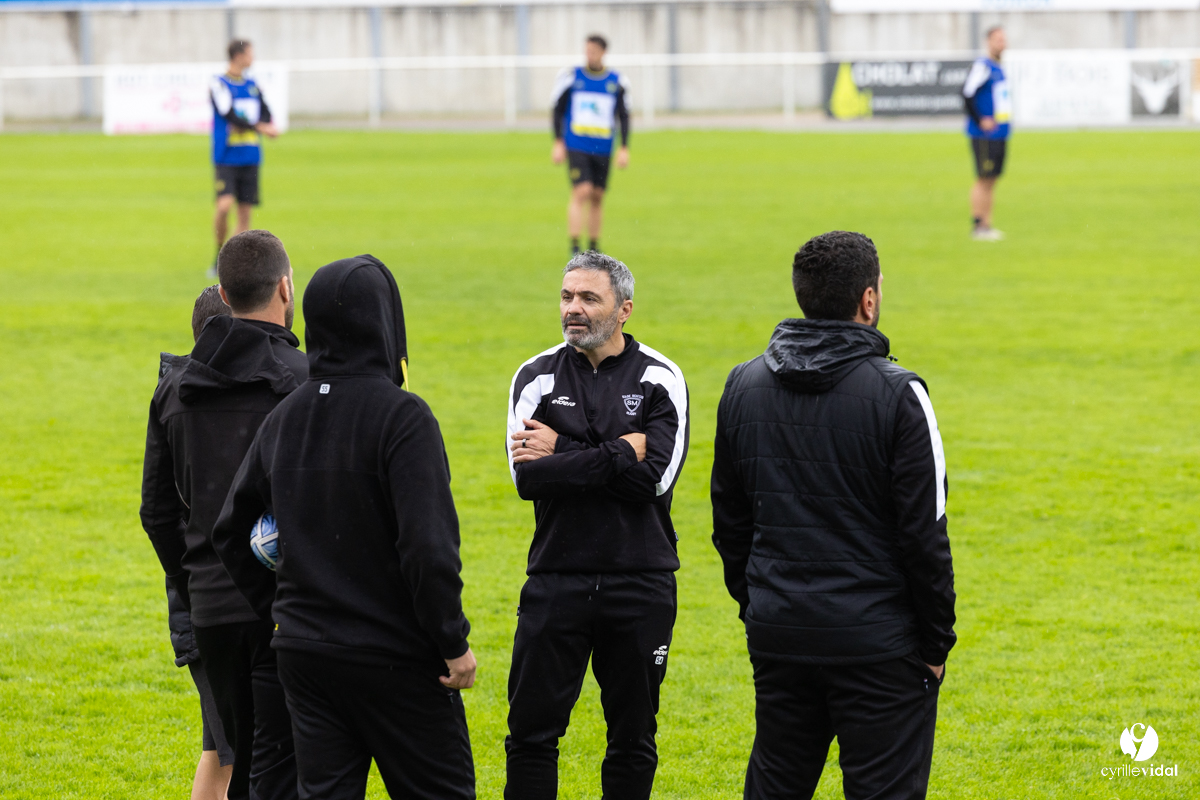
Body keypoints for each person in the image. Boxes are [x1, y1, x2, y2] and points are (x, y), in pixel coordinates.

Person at [212, 255, 476, 800]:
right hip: (396, 656)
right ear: (386, 321)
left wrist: (282, 610)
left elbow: (230, 532)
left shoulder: (286, 415)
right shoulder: (404, 417)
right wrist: (452, 642)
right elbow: (427, 549)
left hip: (307, 657)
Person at [710, 231, 957, 800]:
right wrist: (935, 646)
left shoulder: (742, 385)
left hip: (780, 634)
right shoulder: (900, 394)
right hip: (879, 645)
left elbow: (730, 521)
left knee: (775, 786)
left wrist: (759, 604)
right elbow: (925, 533)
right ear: (868, 300)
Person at [505, 251, 689, 800]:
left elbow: (654, 481)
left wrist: (560, 450)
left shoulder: (661, 377)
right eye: (567, 297)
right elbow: (528, 481)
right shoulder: (534, 376)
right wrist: (618, 454)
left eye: (589, 298)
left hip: (640, 583)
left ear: (624, 309)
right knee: (531, 735)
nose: (573, 310)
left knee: (633, 738)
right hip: (556, 581)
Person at [141, 230, 305, 800]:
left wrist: (194, 577)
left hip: (209, 605)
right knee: (282, 766)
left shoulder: (175, 388)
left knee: (235, 755)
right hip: (286, 602)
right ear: (285, 287)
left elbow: (156, 511)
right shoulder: (303, 382)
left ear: (226, 296)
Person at [159, 286, 235, 800]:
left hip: (195, 598)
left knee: (222, 743)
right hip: (215, 601)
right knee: (229, 746)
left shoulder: (173, 396)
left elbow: (155, 511)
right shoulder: (215, 404)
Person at [551, 35, 631, 256]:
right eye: (587, 51)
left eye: (594, 51)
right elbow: (557, 110)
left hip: (603, 147)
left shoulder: (616, 81)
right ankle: (575, 246)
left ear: (603, 52)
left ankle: (594, 247)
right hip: (577, 144)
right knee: (582, 191)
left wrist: (624, 147)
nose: (589, 55)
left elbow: (624, 116)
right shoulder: (571, 77)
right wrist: (558, 142)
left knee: (597, 195)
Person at [209, 39, 279, 275]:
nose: (253, 58)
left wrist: (264, 125)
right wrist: (259, 127)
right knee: (224, 205)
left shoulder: (252, 84)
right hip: (227, 155)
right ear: (238, 56)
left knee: (245, 213)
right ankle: (218, 254)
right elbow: (227, 113)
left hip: (250, 155)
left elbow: (265, 110)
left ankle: (232, 265)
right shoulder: (219, 83)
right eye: (250, 53)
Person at [962, 25, 1010, 241]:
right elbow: (966, 93)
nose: (1002, 43)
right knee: (983, 178)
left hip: (1000, 132)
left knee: (992, 179)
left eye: (1003, 39)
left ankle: (987, 225)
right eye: (998, 40)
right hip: (984, 134)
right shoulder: (983, 66)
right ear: (989, 42)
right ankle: (978, 225)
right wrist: (981, 120)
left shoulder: (999, 67)